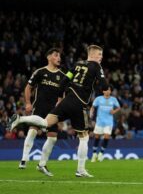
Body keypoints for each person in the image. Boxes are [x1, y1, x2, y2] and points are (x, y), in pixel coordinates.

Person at [8, 45, 107, 178]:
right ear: (93, 54)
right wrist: (103, 87)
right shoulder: (96, 66)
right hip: (79, 103)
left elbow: (65, 80)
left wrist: (61, 97)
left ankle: (20, 119)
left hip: (66, 102)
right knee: (84, 137)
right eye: (100, 54)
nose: (101, 57)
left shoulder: (77, 65)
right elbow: (104, 85)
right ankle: (81, 170)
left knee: (45, 123)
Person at [19, 48, 64, 177]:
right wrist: (27, 103)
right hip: (39, 106)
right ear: (49, 57)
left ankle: (42, 164)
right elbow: (28, 87)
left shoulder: (62, 75)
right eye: (56, 55)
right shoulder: (40, 72)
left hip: (53, 111)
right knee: (33, 129)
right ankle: (24, 159)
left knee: (53, 137)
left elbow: (63, 93)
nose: (59, 58)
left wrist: (60, 103)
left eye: (59, 56)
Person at [90, 85, 120, 162]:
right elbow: (93, 106)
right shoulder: (98, 99)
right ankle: (94, 154)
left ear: (111, 91)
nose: (108, 91)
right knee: (97, 137)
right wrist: (91, 112)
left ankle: (101, 153)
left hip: (109, 122)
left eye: (109, 90)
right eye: (106, 90)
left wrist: (114, 111)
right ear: (103, 91)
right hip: (99, 121)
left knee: (106, 137)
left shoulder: (113, 99)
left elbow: (118, 107)